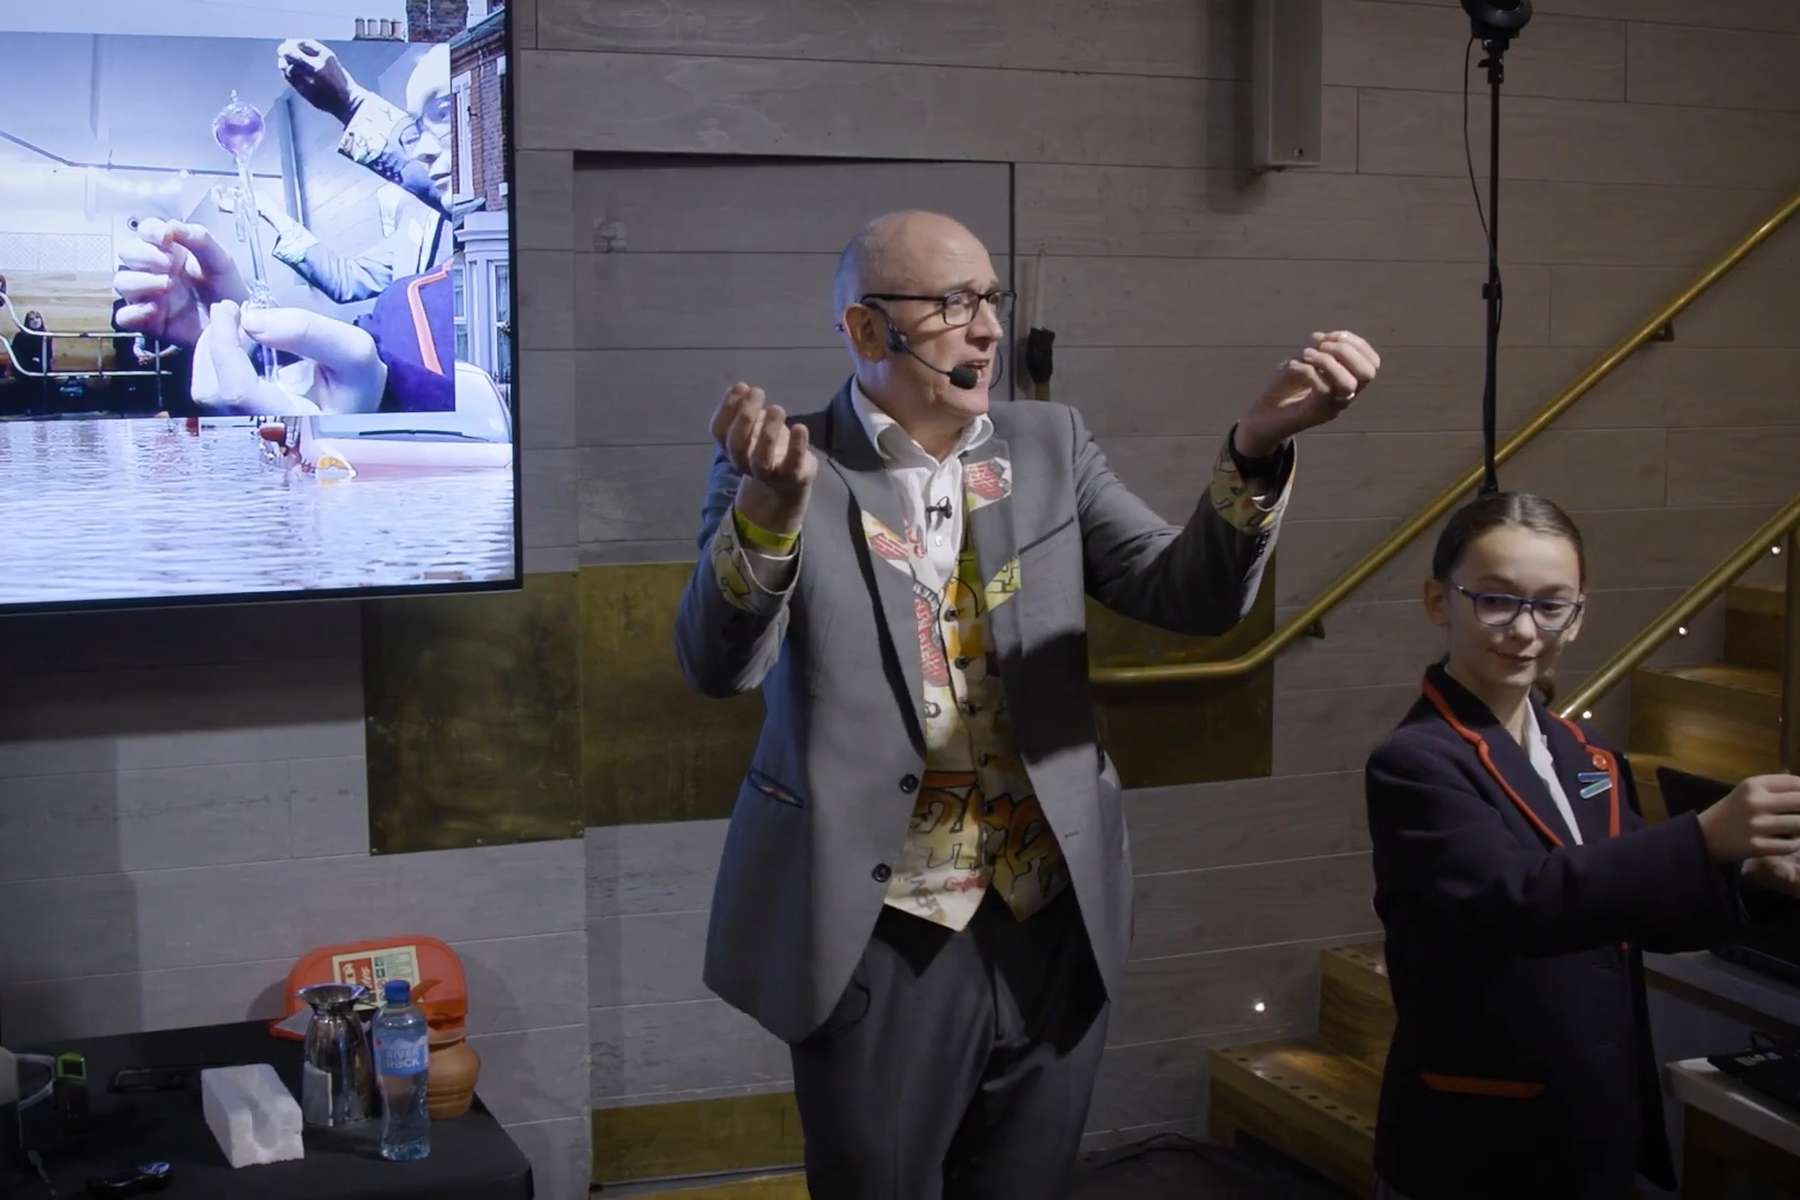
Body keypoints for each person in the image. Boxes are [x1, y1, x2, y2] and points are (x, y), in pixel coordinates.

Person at [674, 208, 1381, 1197]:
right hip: (879, 929)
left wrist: (1256, 449)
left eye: (992, 301)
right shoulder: (786, 466)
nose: (989, 330)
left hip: (1052, 919)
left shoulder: (1051, 445)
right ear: (867, 331)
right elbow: (716, 665)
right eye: (955, 304)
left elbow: (1190, 595)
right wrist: (767, 516)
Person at [1366, 491, 1800, 1200]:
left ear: (1579, 615)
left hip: (1595, 1116)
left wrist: (1748, 874)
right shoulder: (1415, 761)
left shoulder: (1585, 750)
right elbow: (1518, 902)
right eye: (1495, 600)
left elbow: (1632, 910)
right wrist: (1699, 837)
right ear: (1438, 602)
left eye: (1551, 605)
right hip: (1478, 1139)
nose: (1523, 630)